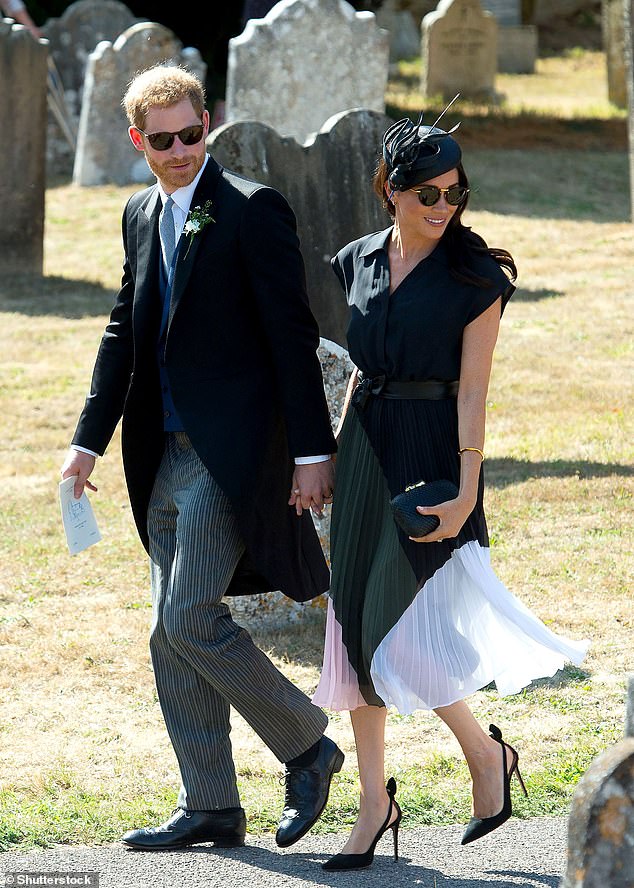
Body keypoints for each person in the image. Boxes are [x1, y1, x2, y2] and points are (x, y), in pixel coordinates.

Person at [60, 64, 344, 851]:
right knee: (165, 630)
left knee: (190, 615)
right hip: (161, 456)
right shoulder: (138, 212)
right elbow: (125, 329)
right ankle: (211, 802)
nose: (182, 151)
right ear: (137, 142)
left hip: (232, 457)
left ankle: (307, 744)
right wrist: (87, 443)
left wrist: (312, 453)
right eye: (164, 141)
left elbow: (292, 335)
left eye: (192, 134)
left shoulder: (253, 211)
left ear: (207, 122)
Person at [311, 111, 590, 870]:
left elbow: (474, 392)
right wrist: (334, 457)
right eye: (428, 192)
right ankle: (376, 805)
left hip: (434, 454)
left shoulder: (477, 277)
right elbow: (362, 372)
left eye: (454, 193)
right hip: (366, 450)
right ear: (391, 191)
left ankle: (482, 756)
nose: (443, 205)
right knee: (355, 631)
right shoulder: (357, 259)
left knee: (401, 625)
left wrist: (468, 489)